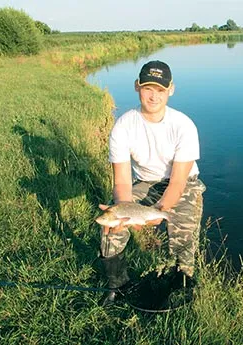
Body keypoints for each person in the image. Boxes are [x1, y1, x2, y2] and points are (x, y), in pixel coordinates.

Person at [99, 60, 206, 305]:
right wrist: (122, 212)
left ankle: (182, 287)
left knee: (183, 233)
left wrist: (160, 211)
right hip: (145, 182)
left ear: (171, 89)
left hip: (183, 183)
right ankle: (119, 285)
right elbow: (123, 182)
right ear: (137, 87)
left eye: (160, 90)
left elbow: (178, 182)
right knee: (109, 227)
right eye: (148, 88)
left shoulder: (184, 126)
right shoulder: (124, 125)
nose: (153, 96)